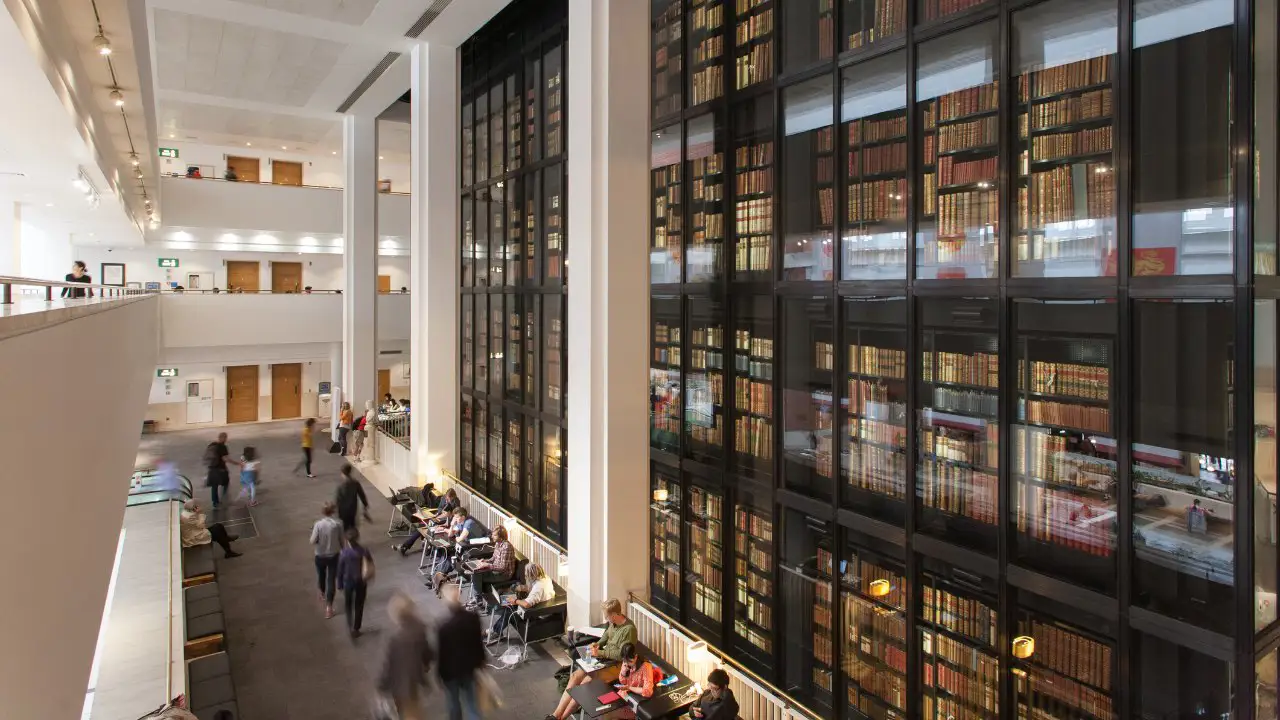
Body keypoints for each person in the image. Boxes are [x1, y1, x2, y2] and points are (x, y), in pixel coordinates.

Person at [547, 598, 637, 720]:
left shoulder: (629, 630)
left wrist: (599, 652)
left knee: (584, 684)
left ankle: (561, 718)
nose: (606, 619)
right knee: (575, 676)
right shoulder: (614, 623)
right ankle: (555, 715)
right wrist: (597, 644)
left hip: (617, 666)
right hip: (604, 660)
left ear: (615, 615)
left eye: (607, 616)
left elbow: (621, 655)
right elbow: (606, 636)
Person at [378, 592, 435, 720]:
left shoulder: (395, 638)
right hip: (413, 679)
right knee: (412, 708)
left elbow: (388, 664)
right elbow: (427, 651)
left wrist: (381, 684)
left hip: (398, 682)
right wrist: (426, 664)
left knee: (406, 710)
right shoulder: (420, 629)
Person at [436, 584, 484, 720]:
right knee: (472, 704)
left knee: (453, 704)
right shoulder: (473, 618)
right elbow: (478, 644)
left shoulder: (443, 626)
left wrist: (439, 674)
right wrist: (481, 663)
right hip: (469, 668)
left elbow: (442, 654)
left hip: (450, 673)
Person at [486, 562, 554, 645]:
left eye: (526, 574)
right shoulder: (545, 578)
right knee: (509, 605)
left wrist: (514, 600)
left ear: (532, 575)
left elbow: (527, 604)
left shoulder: (538, 587)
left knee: (509, 610)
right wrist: (522, 588)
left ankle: (495, 632)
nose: (525, 576)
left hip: (537, 613)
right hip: (541, 607)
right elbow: (534, 590)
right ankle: (495, 630)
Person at [431, 507, 487, 592]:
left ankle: (438, 579)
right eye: (455, 517)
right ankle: (436, 577)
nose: (455, 519)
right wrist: (452, 525)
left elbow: (460, 539)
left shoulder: (469, 523)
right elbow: (450, 535)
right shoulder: (460, 522)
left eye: (457, 517)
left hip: (476, 549)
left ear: (463, 517)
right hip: (467, 547)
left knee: (450, 557)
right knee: (447, 554)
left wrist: (455, 535)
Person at [395, 488, 459, 556]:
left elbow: (456, 515)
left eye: (449, 499)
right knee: (423, 526)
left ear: (453, 497)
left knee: (425, 527)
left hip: (447, 521)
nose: (447, 500)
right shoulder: (443, 498)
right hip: (439, 517)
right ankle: (408, 546)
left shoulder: (456, 502)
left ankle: (406, 546)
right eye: (447, 498)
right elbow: (439, 507)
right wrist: (440, 513)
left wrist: (449, 514)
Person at [337, 527, 373, 638]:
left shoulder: (344, 553)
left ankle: (349, 625)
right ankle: (356, 628)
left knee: (348, 604)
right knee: (359, 605)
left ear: (347, 540)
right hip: (361, 581)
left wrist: (339, 584)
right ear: (357, 538)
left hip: (348, 581)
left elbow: (340, 570)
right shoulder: (364, 550)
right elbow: (370, 563)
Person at [467, 525, 516, 608]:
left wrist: (488, 565)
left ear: (501, 536)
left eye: (494, 535)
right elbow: (493, 558)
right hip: (496, 570)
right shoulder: (497, 543)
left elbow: (503, 567)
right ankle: (478, 599)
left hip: (504, 574)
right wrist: (485, 561)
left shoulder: (506, 547)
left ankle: (478, 600)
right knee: (475, 571)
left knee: (476, 575)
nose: (492, 536)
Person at [310, 501, 343, 619]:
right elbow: (342, 540)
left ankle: (322, 593)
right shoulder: (338, 524)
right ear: (333, 511)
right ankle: (329, 608)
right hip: (334, 555)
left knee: (321, 575)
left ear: (323, 512)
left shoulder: (318, 524)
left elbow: (312, 541)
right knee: (331, 580)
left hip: (320, 556)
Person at [335, 464, 372, 531]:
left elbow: (338, 500)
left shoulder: (341, 486)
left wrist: (336, 510)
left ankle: (348, 539)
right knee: (352, 525)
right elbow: (362, 494)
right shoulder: (355, 483)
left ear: (342, 473)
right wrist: (365, 505)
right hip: (353, 508)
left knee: (345, 527)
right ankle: (352, 538)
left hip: (343, 510)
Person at [204, 432, 231, 508]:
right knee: (226, 483)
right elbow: (225, 459)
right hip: (221, 469)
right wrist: (237, 463)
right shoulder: (223, 447)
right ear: (224, 438)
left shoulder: (212, 445)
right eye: (225, 438)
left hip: (212, 469)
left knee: (214, 486)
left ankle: (215, 502)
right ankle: (224, 498)